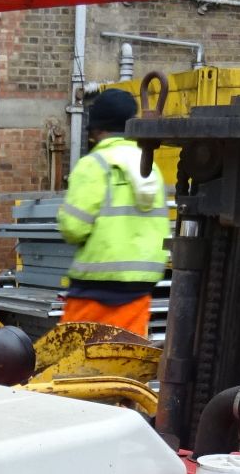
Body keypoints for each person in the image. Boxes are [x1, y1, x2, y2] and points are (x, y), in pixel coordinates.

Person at [55, 87, 171, 339]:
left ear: (96, 129)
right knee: (123, 360)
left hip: (94, 290)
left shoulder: (94, 165)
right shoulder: (150, 168)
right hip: (139, 290)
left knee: (72, 365)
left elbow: (73, 227)